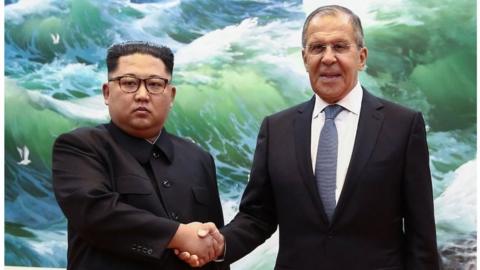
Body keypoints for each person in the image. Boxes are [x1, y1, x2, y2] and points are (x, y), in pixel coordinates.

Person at [180, 5, 439, 270]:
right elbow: (258, 216)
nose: (328, 58)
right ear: (305, 59)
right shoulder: (276, 129)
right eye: (317, 48)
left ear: (361, 57)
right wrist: (220, 244)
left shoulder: (402, 125)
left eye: (340, 46)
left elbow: (422, 235)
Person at [52, 41, 226, 270]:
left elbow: (210, 241)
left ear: (171, 95)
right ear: (107, 92)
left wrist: (213, 249)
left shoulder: (199, 158)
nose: (142, 95)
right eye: (129, 83)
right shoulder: (80, 147)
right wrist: (179, 235)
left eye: (155, 84)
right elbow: (96, 214)